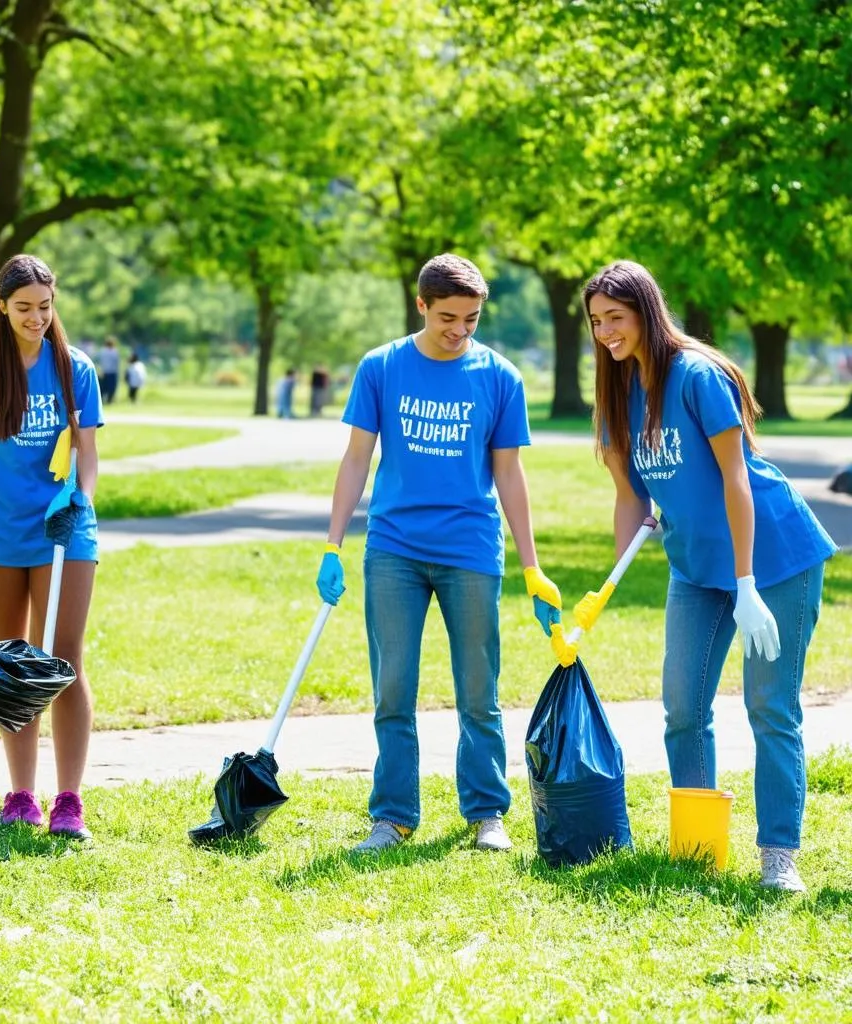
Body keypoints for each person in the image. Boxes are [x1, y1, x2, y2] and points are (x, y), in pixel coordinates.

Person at [575, 260, 837, 892]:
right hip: (696, 571)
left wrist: (747, 585)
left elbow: (737, 478)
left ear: (646, 312)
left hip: (773, 558)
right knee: (682, 708)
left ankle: (779, 856)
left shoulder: (695, 376)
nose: (607, 332)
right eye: (596, 322)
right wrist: (610, 582)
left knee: (770, 706)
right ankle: (698, 848)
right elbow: (630, 498)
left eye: (617, 317)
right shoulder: (616, 394)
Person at [316, 253, 563, 854]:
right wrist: (332, 544)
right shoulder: (382, 367)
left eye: (472, 319)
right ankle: (393, 816)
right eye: (448, 317)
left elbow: (509, 472)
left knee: (479, 690)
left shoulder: (500, 376)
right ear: (421, 304)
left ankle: (486, 814)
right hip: (394, 549)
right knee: (392, 689)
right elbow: (356, 459)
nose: (460, 330)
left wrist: (531, 566)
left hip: (470, 549)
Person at [0, 253, 104, 840]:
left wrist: (77, 500)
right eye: (25, 308)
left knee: (62, 659)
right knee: (11, 662)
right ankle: (21, 796)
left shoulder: (74, 368)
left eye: (46, 306)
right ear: (2, 306)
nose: (37, 318)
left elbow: (88, 454)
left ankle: (68, 801)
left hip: (65, 532)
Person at [97, 337, 120, 404]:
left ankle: (102, 400)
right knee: (112, 387)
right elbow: (116, 362)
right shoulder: (115, 351)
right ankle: (109, 400)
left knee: (103, 387)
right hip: (112, 371)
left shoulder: (102, 351)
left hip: (104, 371)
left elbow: (99, 360)